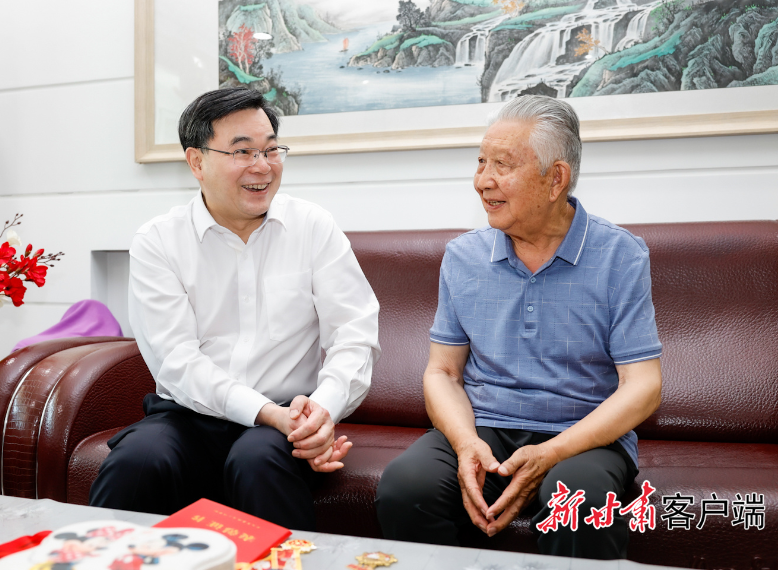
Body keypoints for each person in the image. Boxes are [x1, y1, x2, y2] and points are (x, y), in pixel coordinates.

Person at [375, 95, 663, 559]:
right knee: (405, 487)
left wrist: (552, 453)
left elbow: (643, 386)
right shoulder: (464, 256)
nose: (482, 181)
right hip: (485, 427)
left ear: (555, 179)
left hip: (585, 434)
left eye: (502, 165)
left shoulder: (620, 255)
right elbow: (443, 372)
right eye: (481, 162)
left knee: (579, 502)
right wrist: (466, 443)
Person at [89, 87, 380, 530]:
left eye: (271, 150)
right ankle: (101, 557)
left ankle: (289, 562)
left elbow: (355, 333)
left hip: (282, 421)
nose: (262, 166)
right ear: (197, 162)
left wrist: (321, 411)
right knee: (138, 461)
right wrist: (265, 412)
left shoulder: (312, 227)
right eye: (243, 151)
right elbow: (176, 361)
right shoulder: (159, 241)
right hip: (190, 416)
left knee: (257, 459)